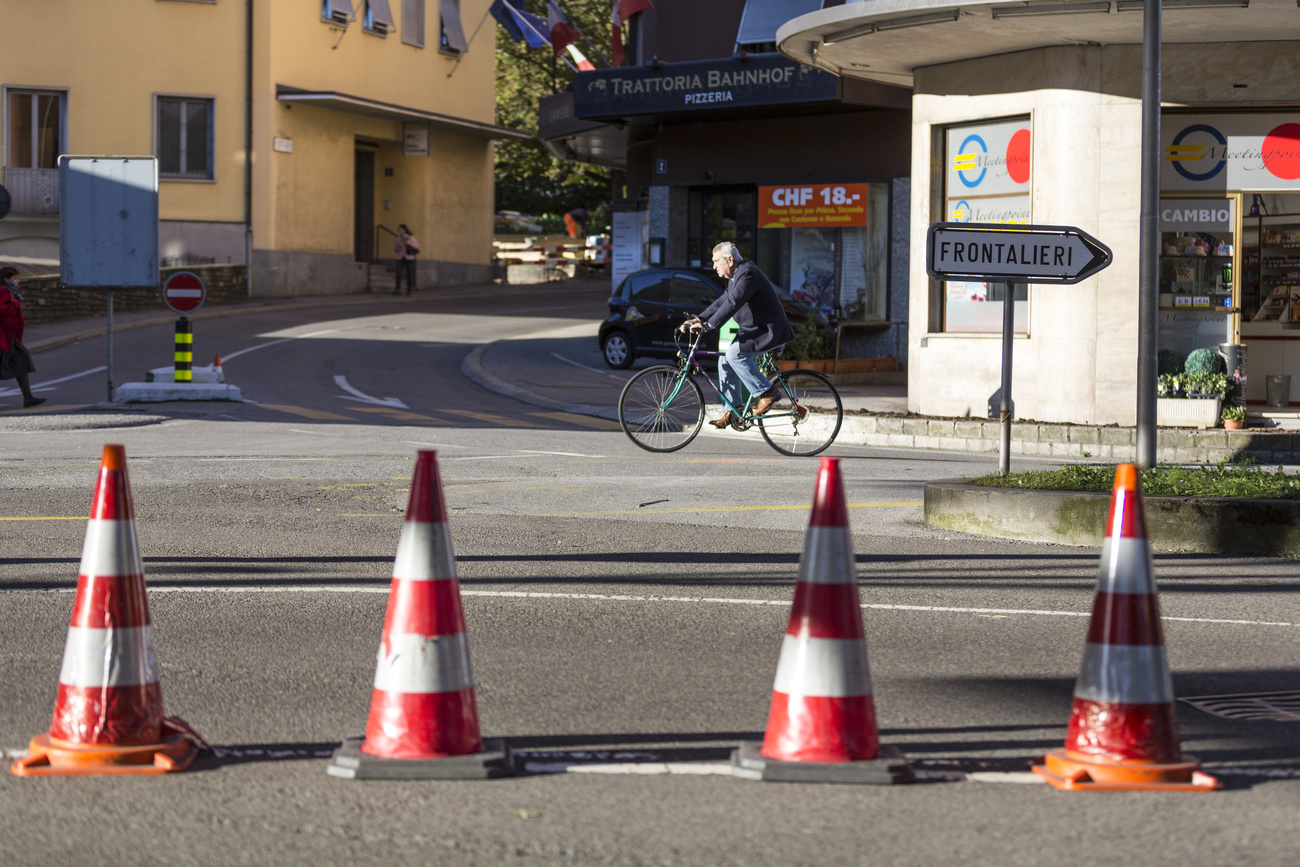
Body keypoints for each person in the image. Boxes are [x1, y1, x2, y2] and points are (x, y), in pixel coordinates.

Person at [679, 242, 794, 429]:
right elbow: (722, 301)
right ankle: (733, 410)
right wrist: (697, 319)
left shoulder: (748, 274)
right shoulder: (736, 276)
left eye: (716, 261)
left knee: (734, 354)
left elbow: (733, 303)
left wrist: (708, 325)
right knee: (725, 359)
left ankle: (767, 392)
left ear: (730, 260)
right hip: (754, 329)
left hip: (768, 331)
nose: (714, 266)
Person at [0, 266, 45, 408]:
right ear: (6, 279)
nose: (17, 281)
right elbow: (2, 310)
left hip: (9, 337)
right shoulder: (3, 291)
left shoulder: (10, 293)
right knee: (20, 361)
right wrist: (14, 305)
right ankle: (28, 397)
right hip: (3, 336)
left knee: (22, 361)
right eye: (15, 278)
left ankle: (28, 397)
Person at [393, 224, 419, 296]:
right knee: (398, 273)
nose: (399, 231)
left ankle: (409, 290)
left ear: (404, 230)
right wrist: (399, 246)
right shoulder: (398, 238)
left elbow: (417, 246)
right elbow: (395, 249)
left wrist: (409, 243)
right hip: (400, 257)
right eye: (398, 230)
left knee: (409, 274)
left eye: (400, 230)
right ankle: (397, 289)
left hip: (409, 258)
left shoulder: (410, 237)